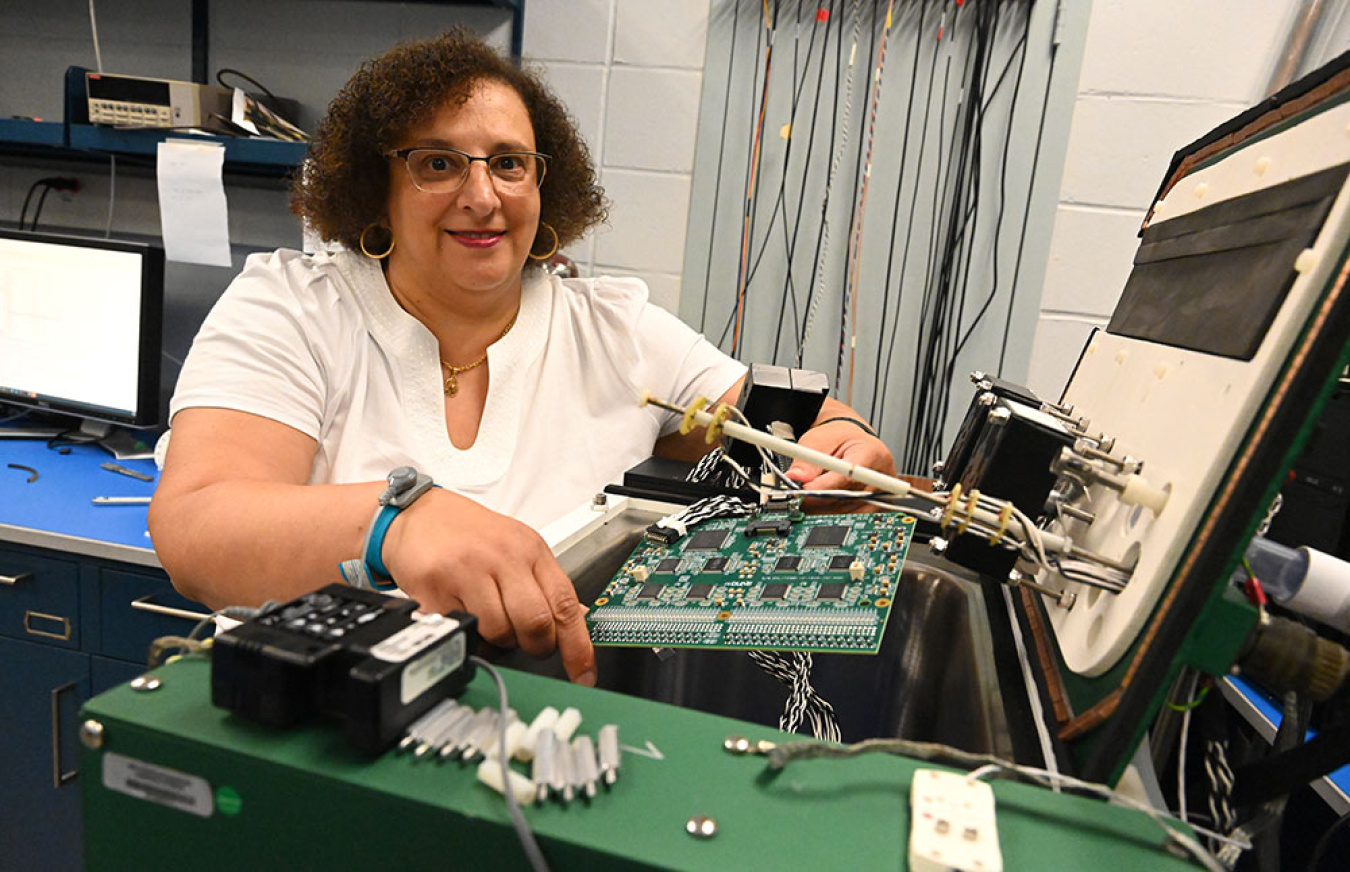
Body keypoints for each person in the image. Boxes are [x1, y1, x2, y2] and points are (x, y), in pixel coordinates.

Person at [148, 28, 894, 688]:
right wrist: (394, 529)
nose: (483, 195)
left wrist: (842, 438)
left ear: (545, 183)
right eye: (439, 163)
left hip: (547, 728)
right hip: (316, 724)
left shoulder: (612, 327)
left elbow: (778, 417)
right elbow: (195, 529)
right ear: (377, 187)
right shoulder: (293, 309)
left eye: (509, 164)